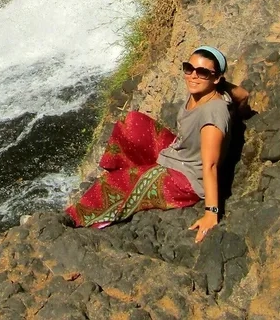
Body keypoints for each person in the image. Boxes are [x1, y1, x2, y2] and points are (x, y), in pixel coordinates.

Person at [66, 46, 249, 243]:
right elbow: (243, 94)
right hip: (178, 152)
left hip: (187, 179)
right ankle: (127, 170)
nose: (193, 76)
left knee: (111, 185)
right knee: (131, 122)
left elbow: (210, 165)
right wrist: (234, 109)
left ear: (216, 78)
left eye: (203, 72)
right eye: (189, 68)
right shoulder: (209, 89)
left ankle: (74, 218)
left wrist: (211, 213)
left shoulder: (213, 113)